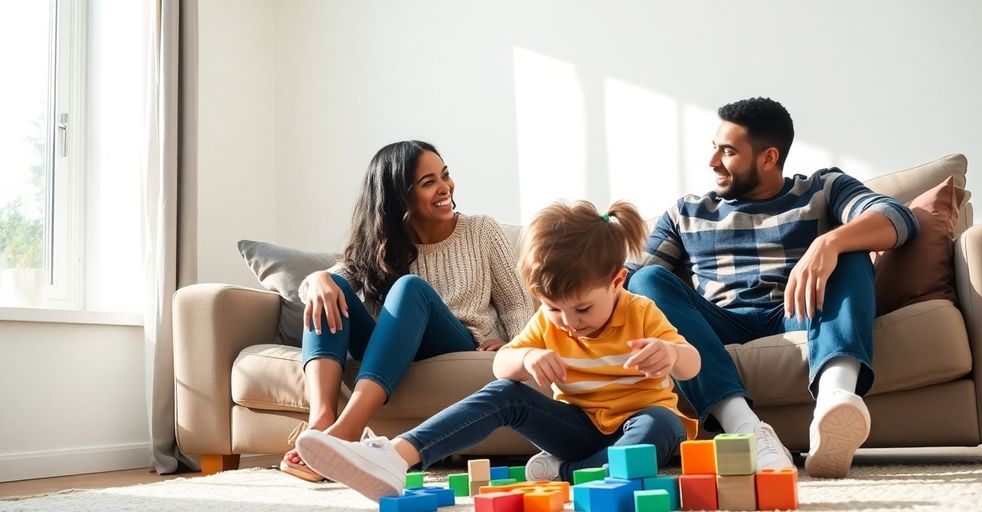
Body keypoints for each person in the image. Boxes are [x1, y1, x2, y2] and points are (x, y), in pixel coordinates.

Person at [294, 200, 702, 502]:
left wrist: (670, 353)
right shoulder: (548, 321)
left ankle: (566, 473)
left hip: (640, 426)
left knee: (661, 423)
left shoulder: (640, 311)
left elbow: (692, 362)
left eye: (582, 308)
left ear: (616, 282)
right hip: (577, 429)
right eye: (555, 308)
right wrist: (525, 358)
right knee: (506, 393)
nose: (570, 321)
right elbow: (501, 365)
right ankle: (397, 456)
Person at [626, 97, 918, 479]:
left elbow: (898, 218)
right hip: (718, 322)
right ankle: (746, 427)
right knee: (648, 281)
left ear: (768, 158)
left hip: (798, 312)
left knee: (850, 250)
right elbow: (633, 279)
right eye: (714, 148)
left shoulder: (823, 188)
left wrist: (827, 243)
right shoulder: (686, 213)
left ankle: (835, 403)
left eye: (728, 151)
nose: (713, 162)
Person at [279, 140, 534, 482]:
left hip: (454, 339)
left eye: (445, 176)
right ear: (399, 196)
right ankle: (321, 422)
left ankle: (348, 430)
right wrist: (317, 279)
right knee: (331, 286)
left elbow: (517, 303)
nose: (445, 188)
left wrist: (514, 345)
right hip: (395, 347)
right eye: (429, 183)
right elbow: (324, 283)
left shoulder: (481, 231)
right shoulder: (379, 242)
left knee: (409, 288)